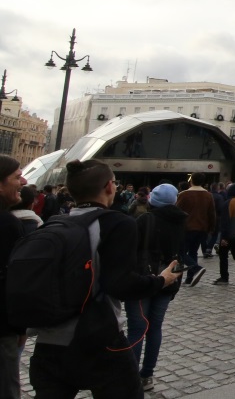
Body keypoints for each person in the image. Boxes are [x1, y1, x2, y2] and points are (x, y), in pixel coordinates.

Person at [27, 159, 181, 398]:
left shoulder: (54, 224)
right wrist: (160, 281)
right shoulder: (117, 223)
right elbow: (120, 283)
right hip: (99, 337)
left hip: (50, 340)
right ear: (110, 187)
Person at [126, 183, 187, 391]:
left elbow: (131, 248)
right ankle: (147, 374)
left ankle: (131, 375)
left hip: (143, 278)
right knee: (155, 327)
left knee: (137, 327)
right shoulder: (181, 220)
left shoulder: (145, 219)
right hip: (169, 277)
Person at [0, 158, 28, 398]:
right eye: (16, 177)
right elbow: (12, 279)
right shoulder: (7, 224)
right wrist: (19, 326)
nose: (23, 182)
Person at [174, 173, 216, 288]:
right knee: (193, 252)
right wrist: (211, 228)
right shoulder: (208, 195)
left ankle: (196, 269)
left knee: (180, 253)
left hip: (186, 228)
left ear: (191, 180)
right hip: (202, 228)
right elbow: (211, 213)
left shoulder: (184, 194)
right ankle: (189, 278)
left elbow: (177, 211)